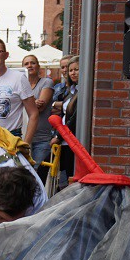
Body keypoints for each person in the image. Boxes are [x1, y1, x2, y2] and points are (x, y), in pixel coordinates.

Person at [23, 54, 55, 179]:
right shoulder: (21, 85)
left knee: (37, 175)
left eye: (33, 63)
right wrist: (33, 103)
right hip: (23, 138)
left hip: (41, 138)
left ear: (38, 66)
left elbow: (40, 108)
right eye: (26, 64)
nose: (29, 65)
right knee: (23, 174)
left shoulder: (46, 82)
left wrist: (24, 103)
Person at [51, 56, 80, 184]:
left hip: (69, 140)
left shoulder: (83, 91)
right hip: (63, 139)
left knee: (68, 177)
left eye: (76, 69)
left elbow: (74, 118)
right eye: (70, 70)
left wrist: (59, 136)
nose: (73, 73)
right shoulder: (71, 91)